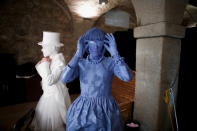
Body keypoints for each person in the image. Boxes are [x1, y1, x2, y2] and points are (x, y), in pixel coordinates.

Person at [61, 27, 133, 131]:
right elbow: (64, 78)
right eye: (92, 43)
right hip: (83, 109)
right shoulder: (81, 63)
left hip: (105, 109)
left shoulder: (111, 62)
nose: (95, 47)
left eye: (99, 43)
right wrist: (78, 54)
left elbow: (127, 77)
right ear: (87, 44)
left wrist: (115, 54)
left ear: (104, 45)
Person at [32, 31, 71, 131]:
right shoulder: (51, 59)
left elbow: (50, 80)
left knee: (55, 126)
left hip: (54, 100)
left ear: (52, 47)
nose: (42, 49)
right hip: (48, 95)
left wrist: (44, 65)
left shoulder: (59, 61)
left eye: (44, 46)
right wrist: (44, 63)